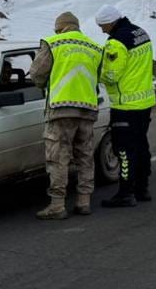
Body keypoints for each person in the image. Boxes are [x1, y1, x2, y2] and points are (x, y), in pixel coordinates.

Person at [27, 12, 103, 220]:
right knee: (85, 156)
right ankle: (83, 201)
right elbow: (100, 75)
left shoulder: (53, 43)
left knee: (58, 157)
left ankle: (57, 205)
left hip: (61, 109)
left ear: (60, 28)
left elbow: (37, 73)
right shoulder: (95, 47)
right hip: (88, 108)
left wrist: (44, 86)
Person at [93, 3, 156, 207]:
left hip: (126, 105)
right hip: (144, 101)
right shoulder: (140, 33)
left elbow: (111, 75)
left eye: (103, 26)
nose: (102, 30)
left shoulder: (116, 43)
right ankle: (142, 188)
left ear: (111, 23)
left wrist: (98, 74)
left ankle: (125, 192)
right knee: (141, 145)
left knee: (124, 149)